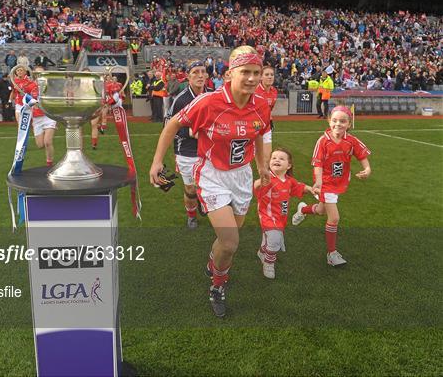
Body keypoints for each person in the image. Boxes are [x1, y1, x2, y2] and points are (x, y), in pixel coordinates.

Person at [150, 46, 272, 317]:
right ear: (230, 74)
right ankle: (217, 287)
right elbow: (172, 125)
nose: (252, 78)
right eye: (246, 73)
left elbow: (260, 134)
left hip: (241, 177)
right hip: (212, 176)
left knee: (225, 243)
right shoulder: (209, 102)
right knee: (230, 242)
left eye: (256, 72)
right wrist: (158, 161)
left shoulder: (261, 104)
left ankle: (213, 263)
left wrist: (262, 166)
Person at [291, 106, 371, 266]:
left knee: (321, 210)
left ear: (349, 124)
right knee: (334, 218)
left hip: (339, 182)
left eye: (343, 121)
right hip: (325, 183)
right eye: (334, 120)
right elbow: (318, 163)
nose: (338, 124)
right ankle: (331, 253)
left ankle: (303, 209)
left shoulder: (351, 140)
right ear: (329, 121)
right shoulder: (323, 141)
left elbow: (361, 154)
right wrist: (319, 181)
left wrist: (367, 168)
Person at [254, 148, 313, 279]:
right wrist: (259, 183)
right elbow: (256, 186)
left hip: (281, 217)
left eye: (281, 158)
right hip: (267, 216)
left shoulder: (289, 180)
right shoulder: (268, 178)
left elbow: (299, 187)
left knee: (269, 238)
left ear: (289, 165)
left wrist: (311, 189)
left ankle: (262, 251)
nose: (276, 160)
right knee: (274, 240)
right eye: (274, 158)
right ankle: (269, 263)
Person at [164, 59, 207, 229]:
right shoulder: (181, 100)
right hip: (186, 151)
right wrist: (189, 132)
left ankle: (204, 202)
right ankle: (191, 216)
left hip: (209, 151)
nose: (200, 75)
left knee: (207, 186)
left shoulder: (211, 94)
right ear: (188, 76)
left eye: (203, 71)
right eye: (195, 72)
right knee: (190, 189)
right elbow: (168, 126)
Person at [28, 66, 56, 166]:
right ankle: (48, 156)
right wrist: (31, 104)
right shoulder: (30, 86)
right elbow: (25, 99)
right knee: (40, 145)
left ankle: (49, 163)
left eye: (41, 73)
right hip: (36, 118)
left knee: (47, 142)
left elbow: (54, 99)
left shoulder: (49, 85)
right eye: (37, 73)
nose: (39, 75)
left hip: (48, 116)